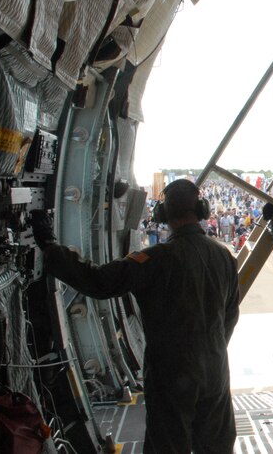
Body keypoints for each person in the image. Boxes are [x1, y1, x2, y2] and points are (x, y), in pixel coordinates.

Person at [30, 180, 239, 453]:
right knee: (217, 447)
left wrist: (50, 247)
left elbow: (99, 282)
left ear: (163, 214)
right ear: (201, 209)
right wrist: (210, 351)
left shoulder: (156, 259)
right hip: (215, 372)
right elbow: (231, 316)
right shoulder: (224, 256)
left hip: (172, 375)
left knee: (167, 446)